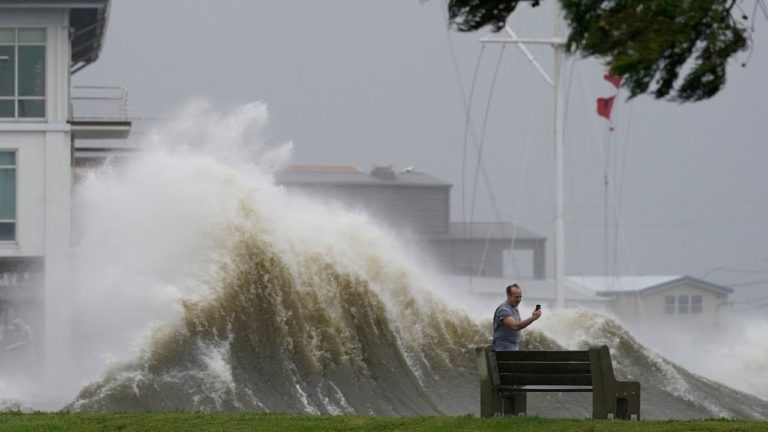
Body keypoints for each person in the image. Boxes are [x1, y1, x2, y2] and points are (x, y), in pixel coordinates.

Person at [492, 283, 541, 351]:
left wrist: (533, 316)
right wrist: (533, 318)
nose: (519, 299)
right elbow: (514, 326)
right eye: (516, 297)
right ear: (508, 296)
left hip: (512, 348)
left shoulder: (514, 309)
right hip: (502, 349)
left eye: (520, 297)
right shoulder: (504, 309)